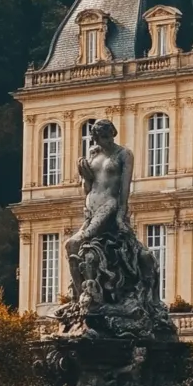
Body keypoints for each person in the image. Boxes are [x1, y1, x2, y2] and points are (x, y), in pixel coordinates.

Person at [66, 119, 159, 303]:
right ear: (95, 137)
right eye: (101, 138)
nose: (105, 141)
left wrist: (120, 215)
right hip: (91, 209)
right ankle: (78, 297)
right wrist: (84, 175)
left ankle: (93, 294)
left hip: (109, 206)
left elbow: (124, 188)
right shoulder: (93, 154)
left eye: (108, 137)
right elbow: (87, 187)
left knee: (84, 240)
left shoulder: (124, 155)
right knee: (70, 245)